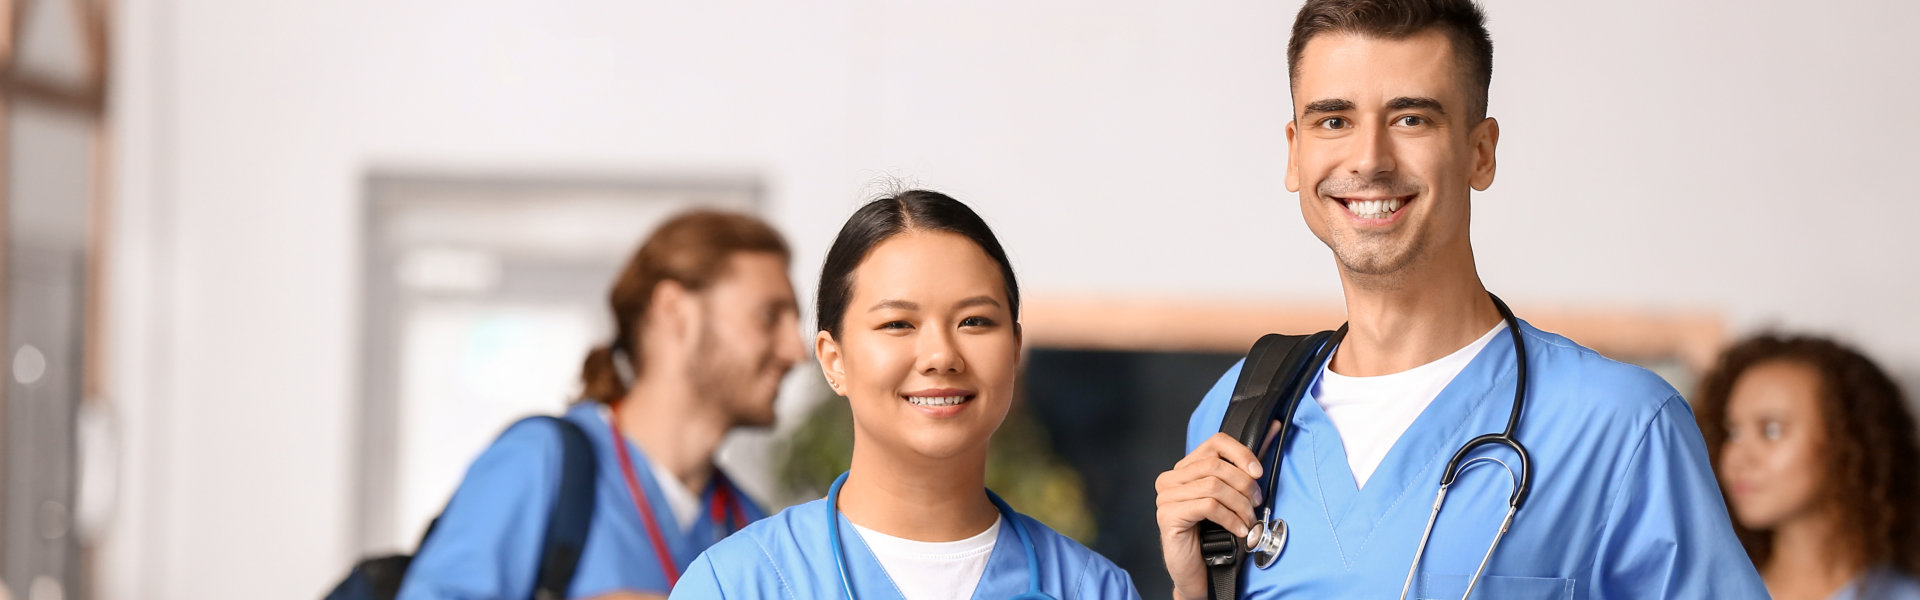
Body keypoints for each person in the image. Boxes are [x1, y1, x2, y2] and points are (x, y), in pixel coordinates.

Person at [1151, 0, 1768, 597]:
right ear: (1294, 151)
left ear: (1481, 152)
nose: (1369, 160)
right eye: (1334, 121)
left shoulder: (1621, 427)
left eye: (1411, 118)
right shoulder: (1235, 422)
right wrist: (1192, 591)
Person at [669, 190, 1139, 599]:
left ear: (1014, 349)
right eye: (898, 324)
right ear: (834, 361)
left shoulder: (1094, 590)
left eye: (974, 321)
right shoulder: (734, 586)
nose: (940, 355)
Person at [398, 210, 805, 599]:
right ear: (676, 311)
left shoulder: (748, 524)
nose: (798, 351)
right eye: (770, 317)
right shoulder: (541, 462)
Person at [1696, 334, 1920, 600]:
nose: (1736, 457)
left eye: (1771, 430)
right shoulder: (1702, 590)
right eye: (1732, 432)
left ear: (1847, 440)